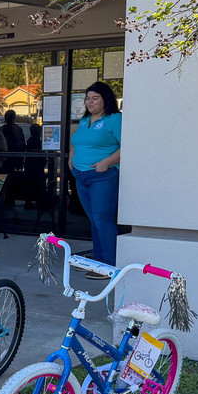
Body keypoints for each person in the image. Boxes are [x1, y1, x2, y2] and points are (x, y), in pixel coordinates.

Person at [68, 81, 122, 276]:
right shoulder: (85, 120)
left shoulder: (115, 119)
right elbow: (76, 142)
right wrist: (71, 158)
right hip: (81, 175)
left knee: (102, 220)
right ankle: (98, 260)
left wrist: (106, 162)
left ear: (105, 99)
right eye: (88, 98)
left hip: (103, 176)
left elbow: (127, 147)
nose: (90, 102)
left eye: (95, 98)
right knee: (93, 220)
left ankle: (108, 266)